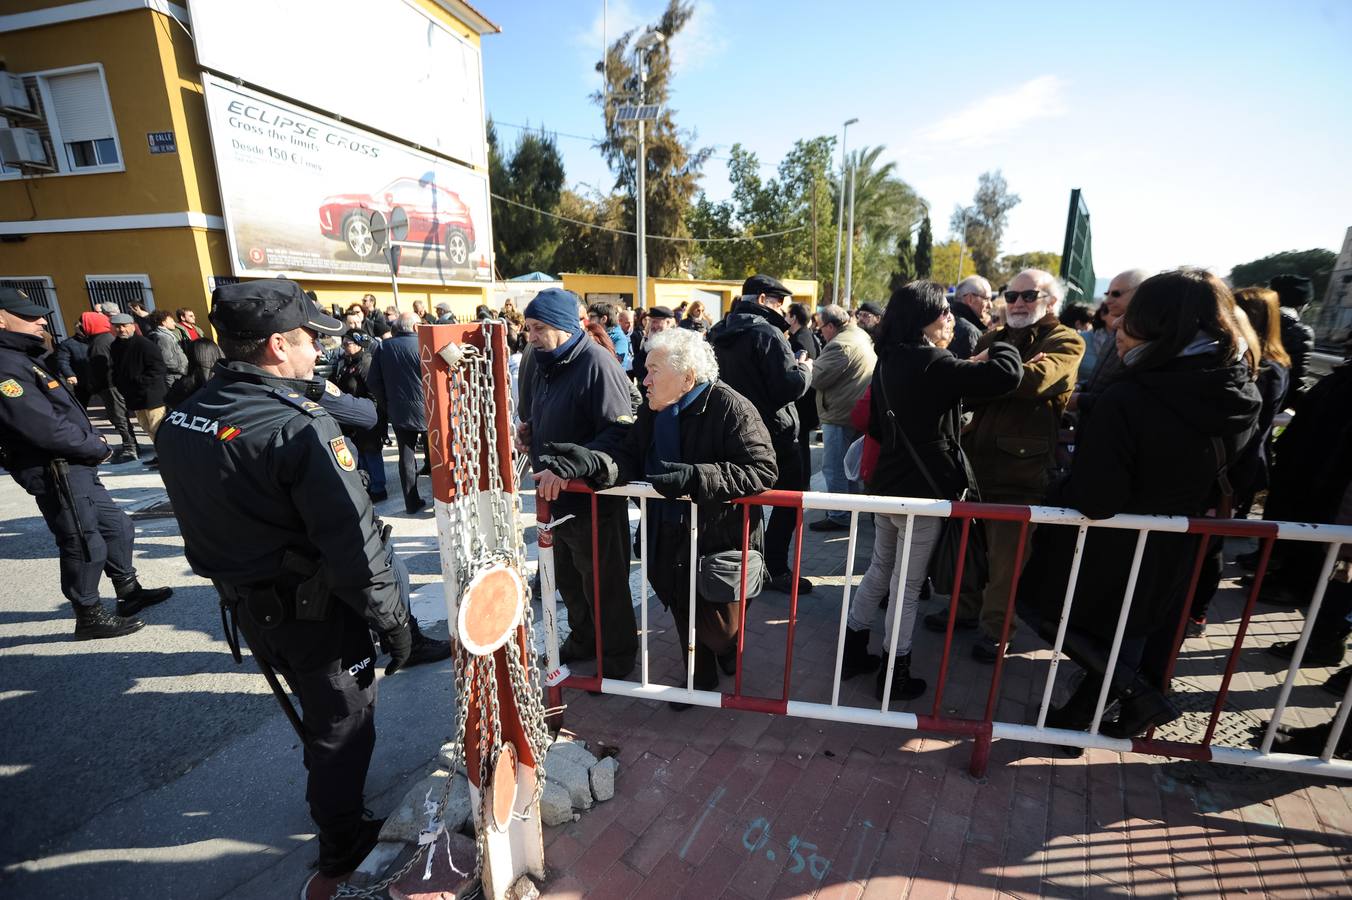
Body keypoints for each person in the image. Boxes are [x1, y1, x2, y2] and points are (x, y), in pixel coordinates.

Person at [155, 279, 409, 896]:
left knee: (319, 716)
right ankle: (341, 841)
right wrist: (395, 621)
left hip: (252, 604)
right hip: (313, 611)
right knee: (344, 725)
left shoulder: (187, 412)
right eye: (307, 342)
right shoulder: (298, 425)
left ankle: (333, 802)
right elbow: (354, 543)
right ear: (275, 345)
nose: (315, 353)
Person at [1016, 269, 1260, 739]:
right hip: (1180, 542)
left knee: (1041, 608)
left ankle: (1134, 698)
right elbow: (1245, 474)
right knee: (1132, 628)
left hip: (1113, 542)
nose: (1117, 329)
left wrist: (1053, 487)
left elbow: (1096, 496)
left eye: (1131, 320)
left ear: (1160, 327)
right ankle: (1099, 713)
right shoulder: (1240, 389)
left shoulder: (1130, 397)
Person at [536, 328, 777, 704]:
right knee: (682, 603)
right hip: (667, 533)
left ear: (687, 377)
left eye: (653, 371)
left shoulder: (730, 407)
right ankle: (700, 680)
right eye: (644, 370)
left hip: (717, 538)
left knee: (721, 626)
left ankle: (727, 650)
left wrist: (696, 478)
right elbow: (630, 457)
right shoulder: (654, 411)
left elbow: (762, 470)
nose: (643, 380)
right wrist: (592, 464)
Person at [843, 281, 1022, 701]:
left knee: (879, 570)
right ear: (924, 319)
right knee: (906, 588)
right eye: (943, 311)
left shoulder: (889, 359)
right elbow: (1007, 376)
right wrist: (1002, 340)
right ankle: (895, 673)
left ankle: (854, 652)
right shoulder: (934, 361)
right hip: (920, 493)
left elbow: (877, 422)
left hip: (885, 485)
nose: (950, 318)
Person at [930, 269, 1084, 661]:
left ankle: (998, 631)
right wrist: (994, 368)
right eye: (1010, 295)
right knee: (967, 548)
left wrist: (990, 366)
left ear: (1050, 301)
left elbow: (1034, 381)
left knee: (1007, 562)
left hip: (1021, 472)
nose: (1016, 303)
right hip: (972, 464)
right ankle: (963, 611)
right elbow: (964, 382)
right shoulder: (994, 336)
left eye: (1028, 295)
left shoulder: (1065, 340)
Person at [0, 286, 171, 639]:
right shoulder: (5, 365)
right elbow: (40, 425)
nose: (41, 320)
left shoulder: (21, 357)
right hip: (56, 466)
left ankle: (128, 591)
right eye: (29, 316)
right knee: (81, 539)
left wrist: (90, 445)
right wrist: (93, 446)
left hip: (76, 463)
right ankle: (89, 613)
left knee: (116, 526)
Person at [519, 288, 638, 677]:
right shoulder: (542, 362)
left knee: (605, 586)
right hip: (556, 502)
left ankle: (617, 658)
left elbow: (618, 435)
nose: (530, 336)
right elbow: (547, 413)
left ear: (567, 327)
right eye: (529, 328)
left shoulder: (596, 363)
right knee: (569, 582)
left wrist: (569, 468)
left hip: (593, 501)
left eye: (538, 328)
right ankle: (584, 639)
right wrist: (530, 432)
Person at [708, 274, 814, 594]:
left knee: (743, 501)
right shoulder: (767, 332)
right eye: (778, 301)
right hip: (773, 433)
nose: (781, 308)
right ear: (764, 298)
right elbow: (788, 386)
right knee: (789, 501)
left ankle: (748, 564)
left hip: (730, 431)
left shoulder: (717, 331)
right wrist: (805, 370)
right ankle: (774, 568)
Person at [808, 304, 876, 531]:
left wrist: (807, 366)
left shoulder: (839, 344)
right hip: (852, 410)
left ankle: (839, 514)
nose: (820, 332)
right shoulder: (859, 335)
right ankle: (850, 510)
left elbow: (817, 378)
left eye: (821, 327)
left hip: (839, 414)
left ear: (829, 325)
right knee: (849, 468)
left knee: (835, 468)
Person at [1070, 269, 1148, 423]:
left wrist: (1080, 400)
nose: (1108, 300)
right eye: (1108, 294)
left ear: (1141, 293)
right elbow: (1103, 380)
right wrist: (1082, 388)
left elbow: (1129, 396)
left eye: (1116, 294)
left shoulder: (1142, 338)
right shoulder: (1114, 333)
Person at [367, 313, 427, 513]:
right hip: (429, 409)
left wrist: (387, 405)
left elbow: (373, 382)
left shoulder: (384, 347)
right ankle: (443, 498)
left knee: (406, 457)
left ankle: (411, 502)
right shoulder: (425, 344)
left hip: (400, 410)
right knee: (438, 454)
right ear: (415, 326)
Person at [330, 330, 389, 503]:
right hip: (350, 416)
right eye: (344, 343)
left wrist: (375, 417)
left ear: (357, 345)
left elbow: (375, 393)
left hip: (366, 416)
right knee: (360, 453)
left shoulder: (366, 362)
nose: (344, 347)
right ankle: (367, 484)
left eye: (347, 343)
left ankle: (378, 487)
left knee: (371, 451)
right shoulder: (345, 362)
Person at [109, 312, 169, 465]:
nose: (121, 329)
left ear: (132, 326)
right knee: (146, 427)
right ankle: (161, 455)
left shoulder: (144, 344)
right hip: (134, 395)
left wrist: (140, 382)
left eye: (124, 326)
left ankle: (168, 458)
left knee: (158, 427)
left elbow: (158, 368)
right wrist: (121, 384)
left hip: (152, 395)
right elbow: (117, 368)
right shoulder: (116, 346)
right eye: (117, 326)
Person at [786, 302, 821, 495]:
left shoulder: (800, 340)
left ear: (794, 318)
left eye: (787, 315)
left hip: (802, 402)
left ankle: (802, 483)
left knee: (801, 447)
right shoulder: (809, 336)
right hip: (807, 401)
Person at [1269, 273, 1315, 407]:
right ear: (1302, 304)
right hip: (1272, 404)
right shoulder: (1301, 332)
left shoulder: (1252, 320)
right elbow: (1296, 380)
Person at [164, 338, 223, 411]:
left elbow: (170, 401)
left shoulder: (183, 385)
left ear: (191, 357)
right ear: (217, 352)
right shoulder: (228, 380)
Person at [633, 305, 676, 399]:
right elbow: (637, 362)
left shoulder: (673, 343)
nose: (652, 325)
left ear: (667, 322)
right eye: (650, 321)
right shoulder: (651, 338)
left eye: (655, 322)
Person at [147, 310, 189, 389]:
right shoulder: (163, 338)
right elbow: (167, 360)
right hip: (175, 377)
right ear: (164, 323)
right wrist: (182, 369)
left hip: (177, 375)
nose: (174, 323)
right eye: (172, 321)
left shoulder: (166, 335)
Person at [587, 301, 632, 369]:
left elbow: (613, 363)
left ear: (604, 319)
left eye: (592, 317)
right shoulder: (593, 334)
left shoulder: (619, 338)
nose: (588, 320)